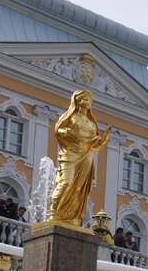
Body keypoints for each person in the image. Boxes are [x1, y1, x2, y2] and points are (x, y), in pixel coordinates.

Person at [47, 89, 111, 225]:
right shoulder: (70, 117)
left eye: (89, 100)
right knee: (66, 183)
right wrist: (66, 132)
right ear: (77, 101)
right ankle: (55, 213)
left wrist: (104, 139)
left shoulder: (91, 123)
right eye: (85, 99)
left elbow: (94, 144)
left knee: (79, 189)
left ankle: (72, 218)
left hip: (86, 156)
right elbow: (58, 130)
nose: (87, 102)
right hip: (70, 154)